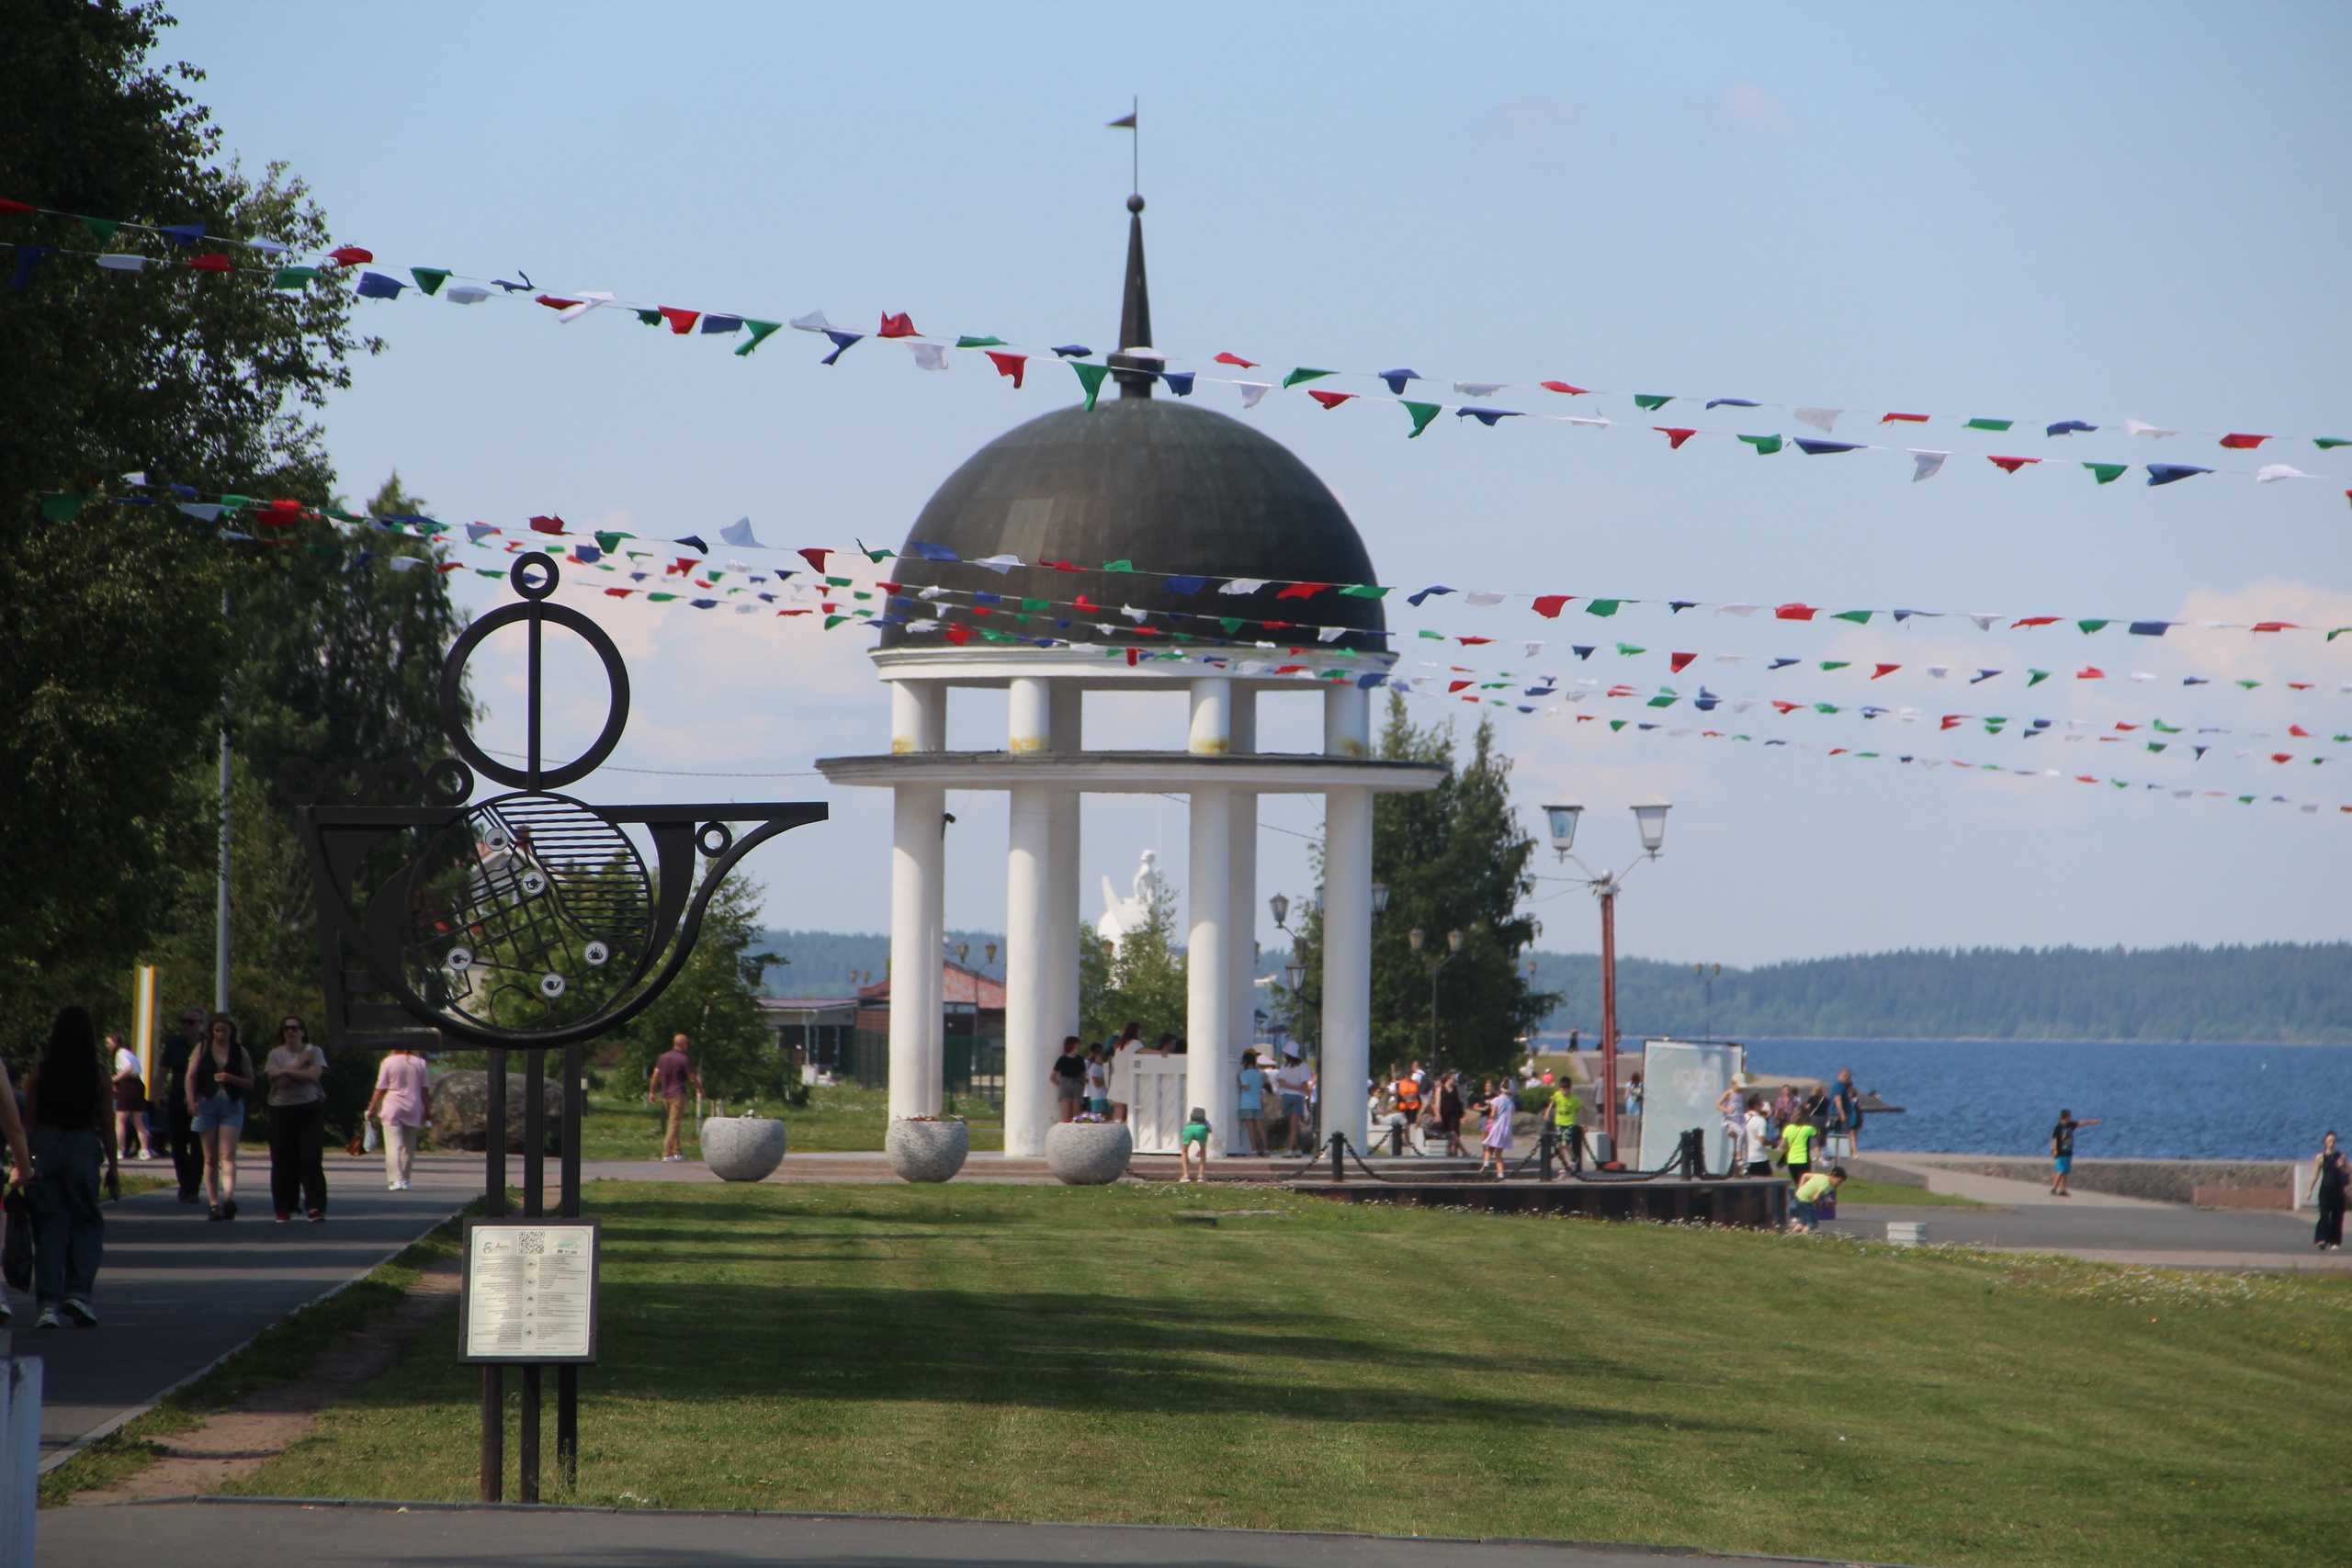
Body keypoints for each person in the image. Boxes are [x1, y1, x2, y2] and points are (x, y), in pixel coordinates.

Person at [28, 1007, 115, 1327]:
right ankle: (78, 1294)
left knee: (50, 1225)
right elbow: (107, 1123)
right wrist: (114, 1167)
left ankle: (47, 1305)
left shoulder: (41, 1072)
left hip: (45, 1144)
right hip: (82, 1145)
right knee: (86, 1222)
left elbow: (30, 1120)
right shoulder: (99, 1075)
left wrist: (23, 1162)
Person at [187, 1012, 254, 1221]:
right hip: (207, 1102)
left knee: (228, 1154)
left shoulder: (239, 1051)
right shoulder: (202, 1048)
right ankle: (214, 1203)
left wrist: (231, 1077)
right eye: (217, 1030)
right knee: (210, 1157)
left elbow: (250, 1081)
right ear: (211, 1031)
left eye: (224, 1030)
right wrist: (191, 1101)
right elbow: (190, 1076)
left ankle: (229, 1199)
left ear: (231, 1031)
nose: (220, 1034)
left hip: (231, 1103)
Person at [264, 1015, 329, 1223]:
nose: (290, 1032)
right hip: (282, 1109)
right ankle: (284, 1207)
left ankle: (315, 1206)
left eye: (294, 1028)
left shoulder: (314, 1051)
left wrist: (285, 1071)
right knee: (283, 1160)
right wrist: (299, 1065)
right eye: (286, 1029)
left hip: (309, 1108)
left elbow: (313, 1076)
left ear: (303, 1031)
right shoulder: (275, 1054)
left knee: (310, 1157)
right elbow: (278, 1084)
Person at [367, 1044, 432, 1191]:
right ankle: (406, 1179)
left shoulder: (388, 1062)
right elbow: (425, 1090)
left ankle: (395, 1180)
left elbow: (380, 1088)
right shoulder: (420, 1063)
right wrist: (427, 1110)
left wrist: (371, 1108)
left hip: (392, 1105)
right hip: (413, 1107)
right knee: (409, 1147)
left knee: (393, 1145)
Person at [158, 1007, 206, 1202]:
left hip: (201, 1103)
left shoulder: (207, 1045)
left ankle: (192, 1188)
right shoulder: (174, 1044)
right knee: (177, 1145)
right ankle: (184, 1182)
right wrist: (156, 1093)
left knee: (198, 1147)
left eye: (191, 1022)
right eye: (183, 1021)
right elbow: (162, 1071)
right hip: (177, 1101)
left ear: (201, 1024)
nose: (186, 1025)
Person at [648, 1033, 699, 1161]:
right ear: (682, 1044)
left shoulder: (663, 1058)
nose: (688, 1045)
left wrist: (652, 1092)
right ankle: (667, 1153)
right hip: (678, 1093)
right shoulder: (684, 1059)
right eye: (686, 1042)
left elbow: (655, 1075)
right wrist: (701, 1089)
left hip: (666, 1095)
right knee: (674, 1123)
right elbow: (692, 1078)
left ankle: (678, 1152)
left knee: (673, 1122)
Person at [109, 1032, 154, 1161]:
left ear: (116, 1043)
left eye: (109, 1043)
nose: (108, 1045)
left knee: (120, 1120)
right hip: (138, 1085)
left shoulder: (120, 1054)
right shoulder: (129, 1053)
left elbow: (128, 1068)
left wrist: (114, 1080)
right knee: (138, 1121)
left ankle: (118, 1150)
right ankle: (145, 1150)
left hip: (128, 1085)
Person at [2307, 1132, 2347, 1252]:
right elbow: (2315, 1174)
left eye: (2334, 1141)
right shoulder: (2320, 1157)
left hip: (2338, 1191)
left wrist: (2341, 1167)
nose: (2332, 1143)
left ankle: (2335, 1242)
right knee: (2324, 1215)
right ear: (2325, 1142)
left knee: (2337, 1217)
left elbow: (2348, 1173)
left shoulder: (2341, 1157)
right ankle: (2321, 1239)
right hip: (2325, 1190)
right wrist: (2309, 1190)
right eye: (2330, 1141)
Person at [1273, 1045, 1314, 1155]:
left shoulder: (1284, 1067)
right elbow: (1305, 1083)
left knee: (1291, 1123)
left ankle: (1297, 1148)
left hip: (1285, 1096)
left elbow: (1281, 1081)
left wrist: (1290, 1087)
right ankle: (1290, 1149)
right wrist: (1305, 1094)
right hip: (1297, 1096)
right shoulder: (1303, 1066)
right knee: (1294, 1125)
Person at [2049, 1109, 2099, 1196]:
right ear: (2067, 1116)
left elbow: (2080, 1123)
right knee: (2060, 1170)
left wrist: (2091, 1122)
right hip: (2061, 1152)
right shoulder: (2058, 1127)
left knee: (2065, 1171)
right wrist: (2054, 1150)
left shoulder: (2069, 1125)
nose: (2071, 1117)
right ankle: (2054, 1188)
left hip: (2068, 1151)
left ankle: (2062, 1189)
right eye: (2070, 1115)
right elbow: (2054, 1139)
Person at [1107, 1022, 1145, 1123]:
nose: (1141, 1033)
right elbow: (1143, 1051)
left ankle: (1115, 1128)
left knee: (1119, 1107)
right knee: (1127, 1109)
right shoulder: (1135, 1043)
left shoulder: (1122, 1044)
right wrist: (1159, 1052)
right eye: (1140, 1031)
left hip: (1117, 1079)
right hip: (1126, 1080)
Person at [1477, 1079, 1516, 1177]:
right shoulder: (1511, 1103)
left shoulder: (1496, 1100)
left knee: (1489, 1150)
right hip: (1506, 1130)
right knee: (1498, 1154)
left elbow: (1493, 1114)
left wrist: (1490, 1118)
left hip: (1496, 1128)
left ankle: (1486, 1164)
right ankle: (1500, 1174)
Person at [1792, 1165, 1847, 1232]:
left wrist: (1799, 1188)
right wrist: (1819, 1205)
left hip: (1798, 1197)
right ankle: (1805, 1236)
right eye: (1839, 1181)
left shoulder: (1821, 1176)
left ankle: (1793, 1233)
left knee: (1803, 1221)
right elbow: (1816, 1197)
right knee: (1812, 1223)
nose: (1839, 1184)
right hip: (1805, 1202)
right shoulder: (1827, 1185)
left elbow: (1805, 1175)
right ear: (1833, 1176)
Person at [1235, 1048, 1268, 1155]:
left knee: (1250, 1128)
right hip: (1257, 1102)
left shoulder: (1243, 1074)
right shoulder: (1259, 1074)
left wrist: (1238, 1083)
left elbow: (1246, 1087)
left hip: (1246, 1103)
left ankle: (1254, 1149)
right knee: (1260, 1126)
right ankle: (1266, 1148)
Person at [1548, 1078, 1585, 1171]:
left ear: (1570, 1089)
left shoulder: (1574, 1099)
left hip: (1569, 1124)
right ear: (1560, 1088)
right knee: (1559, 1147)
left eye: (1567, 1090)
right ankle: (1565, 1165)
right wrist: (1547, 1112)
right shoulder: (1557, 1095)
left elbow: (1584, 1110)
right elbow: (1552, 1102)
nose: (1565, 1092)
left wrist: (1586, 1123)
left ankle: (1574, 1158)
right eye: (1563, 1090)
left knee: (1565, 1143)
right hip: (1559, 1124)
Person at [1778, 1111, 1820, 1191]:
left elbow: (1782, 1145)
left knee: (1798, 1184)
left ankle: (1798, 1200)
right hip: (1803, 1160)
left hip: (1791, 1160)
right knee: (1805, 1185)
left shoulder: (1788, 1128)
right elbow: (1818, 1135)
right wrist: (1812, 1122)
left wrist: (1789, 1149)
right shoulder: (1808, 1129)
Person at [1830, 1069, 1864, 1154]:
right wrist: (1842, 1113)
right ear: (1846, 1076)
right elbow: (1837, 1099)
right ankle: (1834, 1154)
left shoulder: (1842, 1086)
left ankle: (1843, 1153)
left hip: (1843, 1114)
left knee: (1843, 1135)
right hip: (1838, 1115)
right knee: (1840, 1135)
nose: (1850, 1079)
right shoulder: (1838, 1086)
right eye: (1849, 1077)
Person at [1434, 1070, 1466, 1157]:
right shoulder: (1440, 1089)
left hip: (1454, 1114)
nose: (1454, 1080)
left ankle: (1455, 1153)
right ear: (1448, 1079)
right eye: (1452, 1078)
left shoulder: (1456, 1089)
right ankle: (1448, 1152)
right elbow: (1437, 1102)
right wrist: (1437, 1114)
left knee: (1454, 1133)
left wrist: (1463, 1113)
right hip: (1444, 1113)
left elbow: (1460, 1101)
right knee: (1445, 1133)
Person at [1742, 1095, 1774, 1178]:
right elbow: (1762, 1140)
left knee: (1748, 1184)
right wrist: (1773, 1143)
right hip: (1759, 1156)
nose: (1763, 1107)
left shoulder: (1742, 1118)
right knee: (1769, 1182)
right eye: (1761, 1105)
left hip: (1745, 1156)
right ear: (1756, 1106)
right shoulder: (1760, 1120)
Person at [1179, 1105, 1212, 1183]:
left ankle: (1185, 1175)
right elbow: (1209, 1131)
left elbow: (1185, 1131)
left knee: (1184, 1151)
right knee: (1203, 1152)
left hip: (1189, 1130)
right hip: (1201, 1130)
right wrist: (1201, 1150)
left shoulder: (1189, 1123)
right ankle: (1200, 1176)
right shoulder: (1205, 1122)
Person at [1083, 1043, 1111, 1117]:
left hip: (1103, 1096)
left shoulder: (1100, 1067)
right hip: (1098, 1097)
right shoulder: (1094, 1067)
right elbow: (1097, 1084)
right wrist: (1106, 1076)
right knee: (1100, 1117)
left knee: (1106, 1116)